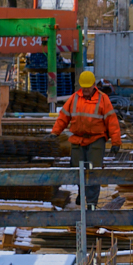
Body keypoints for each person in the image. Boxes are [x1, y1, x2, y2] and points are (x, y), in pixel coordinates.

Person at [51, 70, 122, 208]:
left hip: (96, 140)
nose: (85, 91)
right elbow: (63, 117)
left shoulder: (103, 99)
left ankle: (91, 202)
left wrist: (116, 141)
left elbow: (112, 122)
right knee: (77, 170)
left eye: (88, 88)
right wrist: (55, 133)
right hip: (78, 140)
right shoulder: (74, 98)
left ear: (93, 85)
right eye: (83, 88)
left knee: (93, 172)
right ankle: (81, 192)